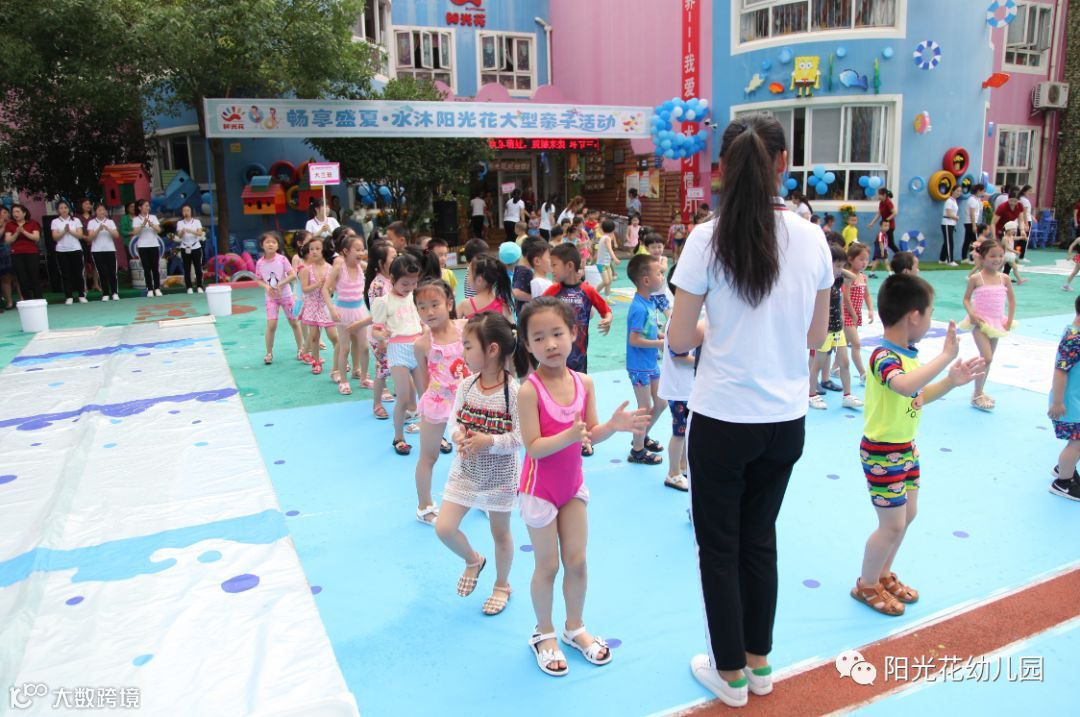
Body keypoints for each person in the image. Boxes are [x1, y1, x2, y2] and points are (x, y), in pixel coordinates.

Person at [668, 114, 833, 707]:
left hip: (723, 419)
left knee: (719, 547)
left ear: (725, 166)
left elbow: (679, 339)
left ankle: (730, 673)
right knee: (759, 538)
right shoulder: (813, 238)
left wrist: (711, 330)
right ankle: (759, 664)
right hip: (786, 421)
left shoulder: (705, 238)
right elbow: (816, 337)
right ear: (783, 163)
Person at [516, 297, 649, 677]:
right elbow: (534, 447)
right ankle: (544, 633)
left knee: (577, 561)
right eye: (539, 338)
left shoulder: (584, 382)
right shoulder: (529, 390)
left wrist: (613, 427)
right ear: (527, 345)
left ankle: (574, 627)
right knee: (548, 565)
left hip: (571, 486)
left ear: (574, 333)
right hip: (539, 489)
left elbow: (589, 434)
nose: (550, 344)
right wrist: (569, 436)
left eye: (557, 333)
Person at [854, 275, 984, 616]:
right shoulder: (883, 356)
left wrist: (951, 381)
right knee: (891, 525)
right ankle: (866, 584)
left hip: (906, 448)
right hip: (883, 453)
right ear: (914, 315)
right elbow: (902, 386)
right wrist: (945, 357)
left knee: (908, 515)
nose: (930, 320)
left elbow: (918, 395)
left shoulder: (908, 355)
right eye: (930, 313)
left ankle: (883, 574)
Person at [437, 312, 521, 614]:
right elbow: (453, 420)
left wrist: (490, 441)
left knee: (501, 533)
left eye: (468, 346)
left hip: (500, 476)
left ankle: (502, 585)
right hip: (466, 471)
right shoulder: (467, 385)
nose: (463, 352)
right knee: (444, 528)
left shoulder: (515, 393)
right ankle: (473, 560)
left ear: (492, 349)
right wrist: (458, 435)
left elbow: (519, 438)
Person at [412, 279, 468, 525]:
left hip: (467, 403)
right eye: (422, 307)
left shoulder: (465, 329)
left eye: (435, 304)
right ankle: (424, 506)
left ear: (449, 304)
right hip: (436, 403)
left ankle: (481, 499)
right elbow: (424, 380)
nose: (429, 312)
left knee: (472, 453)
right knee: (428, 456)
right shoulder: (422, 344)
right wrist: (424, 408)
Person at [372, 253, 425, 456]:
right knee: (403, 397)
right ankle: (398, 437)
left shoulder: (414, 296)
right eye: (405, 283)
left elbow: (420, 321)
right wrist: (382, 336)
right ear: (392, 279)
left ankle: (434, 434)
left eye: (413, 283)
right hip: (398, 351)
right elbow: (376, 330)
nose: (410, 287)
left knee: (426, 395)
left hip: (417, 347)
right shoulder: (383, 302)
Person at [961, 239, 1016, 412]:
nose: (997, 259)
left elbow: (1012, 300)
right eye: (993, 256)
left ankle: (980, 391)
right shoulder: (976, 278)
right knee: (987, 357)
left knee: (988, 359)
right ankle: (977, 394)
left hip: (996, 323)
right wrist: (972, 314)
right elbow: (966, 299)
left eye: (1000, 255)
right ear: (982, 257)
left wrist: (1009, 320)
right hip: (980, 323)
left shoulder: (1004, 278)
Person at [542, 243, 612, 376]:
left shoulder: (587, 290)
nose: (551, 270)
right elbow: (534, 311)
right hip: (556, 355)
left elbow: (606, 310)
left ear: (569, 266)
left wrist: (607, 320)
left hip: (579, 356)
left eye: (554, 265)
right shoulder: (552, 291)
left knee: (579, 385)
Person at [625, 254, 668, 466]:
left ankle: (640, 437)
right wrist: (659, 344)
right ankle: (637, 450)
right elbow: (634, 340)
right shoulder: (639, 308)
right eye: (659, 273)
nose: (662, 276)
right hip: (639, 366)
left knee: (660, 403)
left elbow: (647, 332)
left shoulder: (649, 302)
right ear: (646, 280)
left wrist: (659, 336)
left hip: (651, 363)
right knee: (644, 407)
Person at [809, 244, 862, 410]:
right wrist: (828, 267)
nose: (840, 270)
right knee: (817, 364)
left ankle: (847, 395)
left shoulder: (837, 280)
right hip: (825, 330)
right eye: (837, 265)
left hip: (838, 329)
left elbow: (853, 277)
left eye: (842, 266)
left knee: (844, 363)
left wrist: (838, 269)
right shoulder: (820, 282)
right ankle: (811, 395)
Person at [658, 267, 694, 492]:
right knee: (679, 432)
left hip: (684, 386)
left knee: (686, 430)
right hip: (679, 388)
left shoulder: (681, 316)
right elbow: (679, 355)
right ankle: (673, 473)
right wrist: (702, 362)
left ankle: (682, 465)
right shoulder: (679, 320)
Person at [324, 235, 372, 395]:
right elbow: (325, 289)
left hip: (359, 311)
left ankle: (364, 378)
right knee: (344, 348)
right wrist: (332, 309)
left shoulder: (362, 266)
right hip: (343, 313)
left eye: (362, 249)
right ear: (345, 251)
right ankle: (343, 381)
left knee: (365, 347)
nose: (361, 253)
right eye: (357, 250)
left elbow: (376, 268)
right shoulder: (339, 267)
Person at [1047, 296, 1080, 501]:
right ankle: (1063, 483)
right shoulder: (1074, 339)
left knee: (1076, 442)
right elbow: (1060, 372)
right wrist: (1058, 402)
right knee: (1077, 443)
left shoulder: (1075, 333)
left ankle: (1066, 467)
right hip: (1069, 403)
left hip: (1075, 400)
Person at [255, 231, 303, 365]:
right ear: (262, 245)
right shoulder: (260, 263)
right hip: (271, 298)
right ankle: (269, 353)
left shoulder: (282, 259)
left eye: (274, 242)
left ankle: (301, 349)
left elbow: (292, 275)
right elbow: (258, 279)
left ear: (277, 245)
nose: (270, 244)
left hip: (286, 296)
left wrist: (280, 284)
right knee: (271, 325)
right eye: (267, 242)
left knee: (294, 323)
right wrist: (267, 287)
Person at [364, 240, 398, 419]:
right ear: (381, 262)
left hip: (394, 333)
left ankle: (405, 402)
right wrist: (382, 340)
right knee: (383, 370)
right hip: (381, 335)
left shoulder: (393, 279)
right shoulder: (378, 285)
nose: (397, 259)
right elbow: (377, 315)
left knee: (398, 366)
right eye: (393, 257)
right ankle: (377, 404)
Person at [841, 243, 874, 384]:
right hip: (847, 314)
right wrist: (853, 314)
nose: (864, 262)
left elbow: (867, 295)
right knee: (856, 344)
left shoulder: (863, 277)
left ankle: (834, 367)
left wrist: (871, 310)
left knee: (845, 342)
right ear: (850, 259)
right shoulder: (848, 276)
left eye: (866, 259)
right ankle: (862, 373)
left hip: (855, 314)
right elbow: (846, 297)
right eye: (861, 259)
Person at [51, 200, 88, 304]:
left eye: (65, 208)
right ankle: (69, 296)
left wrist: (70, 231)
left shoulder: (75, 220)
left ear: (69, 209)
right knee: (65, 274)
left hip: (75, 249)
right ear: (58, 210)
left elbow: (80, 235)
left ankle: (81, 295)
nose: (64, 210)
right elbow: (55, 237)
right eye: (61, 208)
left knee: (78, 273)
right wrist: (64, 231)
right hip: (62, 250)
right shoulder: (55, 222)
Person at [458, 253, 513, 321]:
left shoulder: (464, 305)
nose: (467, 277)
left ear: (479, 280)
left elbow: (450, 325)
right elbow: (512, 326)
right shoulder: (504, 306)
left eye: (469, 274)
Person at [4, 204, 43, 300]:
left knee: (34, 276)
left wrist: (23, 231)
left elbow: (36, 238)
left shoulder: (33, 223)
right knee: (22, 278)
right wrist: (17, 232)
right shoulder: (10, 225)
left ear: (24, 213)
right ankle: (27, 300)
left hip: (31, 252)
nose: (15, 214)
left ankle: (39, 299)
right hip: (16, 254)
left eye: (18, 212)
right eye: (13, 212)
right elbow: (8, 240)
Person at [87, 203, 121, 301]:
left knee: (112, 272)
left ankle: (114, 292)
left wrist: (108, 229)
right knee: (101, 272)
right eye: (99, 210)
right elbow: (90, 237)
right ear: (95, 212)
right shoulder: (91, 222)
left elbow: (116, 235)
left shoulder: (110, 222)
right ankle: (105, 293)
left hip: (110, 249)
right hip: (97, 250)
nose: (102, 212)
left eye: (103, 210)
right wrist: (98, 229)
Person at [132, 200, 163, 297]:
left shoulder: (153, 217)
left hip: (154, 245)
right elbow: (135, 232)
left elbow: (159, 230)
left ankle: (157, 288)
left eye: (148, 206)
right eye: (146, 206)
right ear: (140, 207)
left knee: (155, 267)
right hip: (142, 246)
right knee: (146, 268)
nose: (148, 207)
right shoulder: (136, 219)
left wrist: (152, 224)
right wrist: (143, 224)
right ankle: (149, 289)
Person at [174, 204, 205, 294]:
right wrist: (183, 232)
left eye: (188, 210)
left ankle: (199, 286)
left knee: (198, 267)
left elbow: (200, 233)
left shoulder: (196, 222)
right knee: (186, 268)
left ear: (191, 212)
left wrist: (191, 231)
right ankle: (189, 287)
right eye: (184, 211)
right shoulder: (180, 223)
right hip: (185, 247)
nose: (186, 212)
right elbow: (179, 235)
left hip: (196, 247)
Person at [594, 218, 620, 298]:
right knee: (606, 281)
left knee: (610, 280)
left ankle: (607, 297)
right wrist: (615, 259)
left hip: (606, 263)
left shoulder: (604, 237)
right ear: (613, 229)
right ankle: (593, 294)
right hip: (602, 264)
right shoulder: (607, 238)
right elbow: (610, 250)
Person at [868, 188, 897, 254]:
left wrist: (887, 220)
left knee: (890, 243)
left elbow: (894, 213)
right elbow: (879, 213)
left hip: (889, 226)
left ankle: (901, 255)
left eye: (879, 195)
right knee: (880, 241)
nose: (878, 196)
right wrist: (872, 223)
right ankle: (879, 256)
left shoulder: (888, 202)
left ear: (884, 195)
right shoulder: (881, 203)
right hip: (884, 226)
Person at [962, 184, 985, 262]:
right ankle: (972, 258)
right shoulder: (972, 200)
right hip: (971, 222)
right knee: (975, 241)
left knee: (968, 241)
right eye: (982, 191)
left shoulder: (975, 199)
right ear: (978, 191)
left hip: (970, 222)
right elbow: (972, 213)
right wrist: (974, 225)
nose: (983, 193)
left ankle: (964, 258)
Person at [939, 185, 961, 265]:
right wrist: (956, 217)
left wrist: (955, 218)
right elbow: (948, 213)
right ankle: (950, 260)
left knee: (947, 242)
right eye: (957, 191)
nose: (959, 193)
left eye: (960, 191)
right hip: (947, 223)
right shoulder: (949, 201)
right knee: (949, 242)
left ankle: (942, 259)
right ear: (953, 191)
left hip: (951, 224)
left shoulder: (954, 201)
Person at [0, 206, 15, 311]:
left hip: (14, 251)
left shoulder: (13, 223)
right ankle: (9, 301)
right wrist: (3, 225)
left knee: (16, 277)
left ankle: (22, 298)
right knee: (5, 278)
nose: (7, 214)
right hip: (2, 253)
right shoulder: (3, 225)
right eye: (4, 212)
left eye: (7, 212)